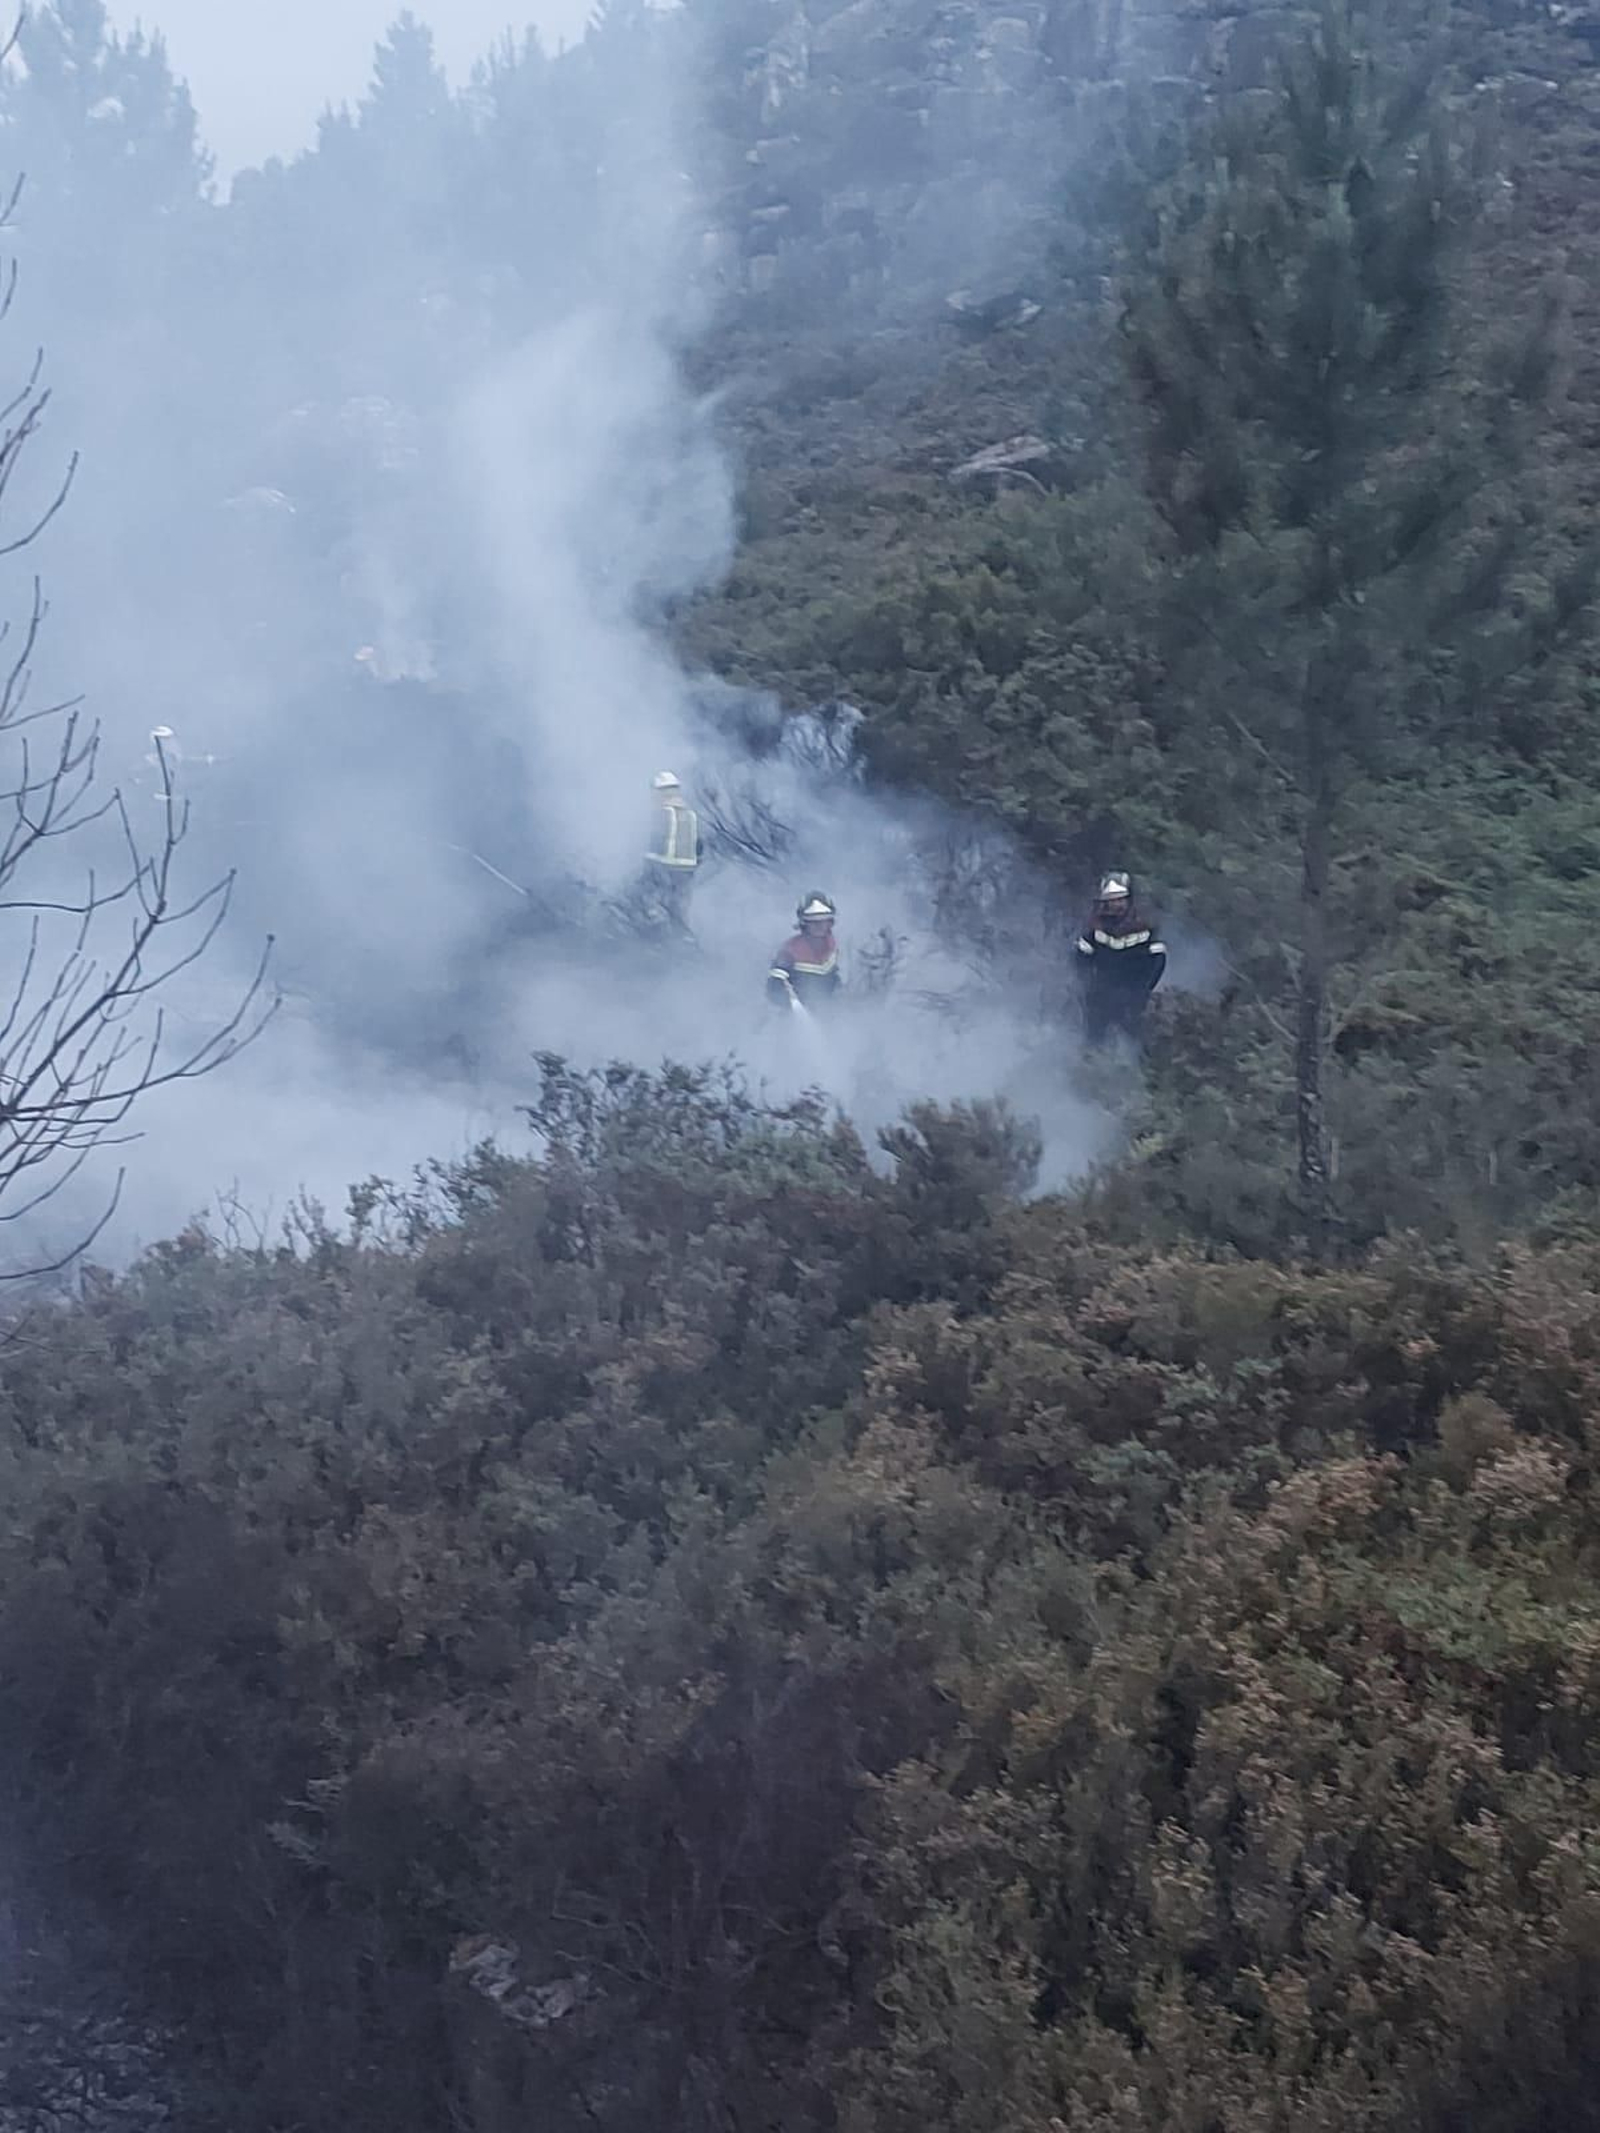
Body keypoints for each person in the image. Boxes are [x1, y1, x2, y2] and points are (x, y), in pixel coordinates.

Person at [1076, 870, 1166, 1046]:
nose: (1116, 905)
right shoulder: (1097, 927)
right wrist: (1089, 984)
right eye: (1111, 901)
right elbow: (1082, 953)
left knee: (1132, 1041)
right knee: (1094, 1040)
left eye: (1120, 900)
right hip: (1101, 994)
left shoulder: (1144, 927)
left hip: (1134, 995)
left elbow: (1157, 958)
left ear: (1129, 900)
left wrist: (1142, 990)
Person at [643, 770, 702, 923]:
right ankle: (680, 939)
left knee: (655, 909)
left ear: (661, 792)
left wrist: (645, 864)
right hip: (687, 872)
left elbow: (654, 841)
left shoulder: (662, 813)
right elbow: (699, 846)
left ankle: (655, 937)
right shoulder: (691, 815)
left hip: (663, 869)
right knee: (679, 911)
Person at [768, 891, 841, 1011]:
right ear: (803, 924)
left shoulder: (832, 945)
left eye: (823, 920)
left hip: (829, 1013)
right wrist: (795, 1007)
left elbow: (833, 977)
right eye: (813, 922)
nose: (819, 926)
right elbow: (774, 988)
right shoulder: (790, 951)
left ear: (830, 922)